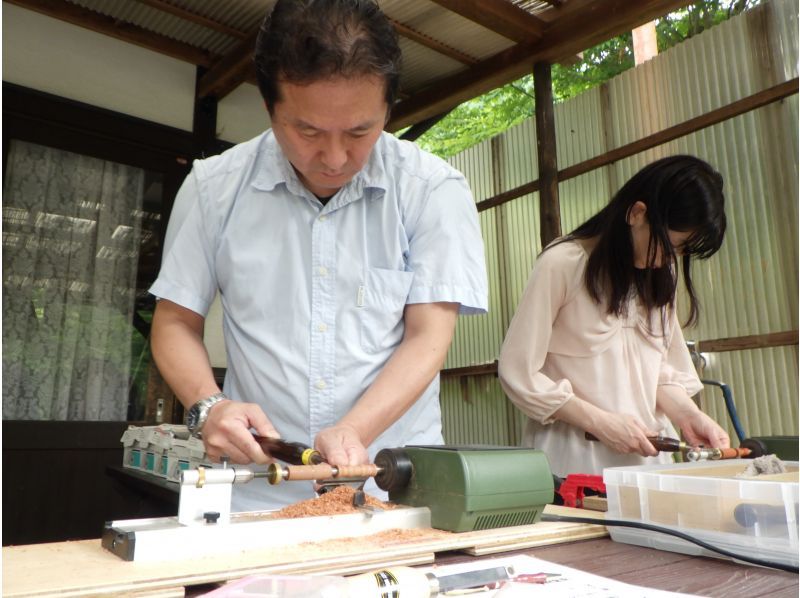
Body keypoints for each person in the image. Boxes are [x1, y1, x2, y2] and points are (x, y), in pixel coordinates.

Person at [149, 0, 488, 510]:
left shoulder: (432, 190)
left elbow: (428, 338)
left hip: (394, 490)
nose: (333, 158)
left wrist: (353, 430)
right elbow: (174, 321)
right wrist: (209, 405)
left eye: (359, 132)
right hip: (258, 492)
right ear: (270, 109)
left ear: (388, 109)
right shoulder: (213, 189)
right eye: (307, 131)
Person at [498, 155, 730, 478]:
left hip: (651, 467)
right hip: (573, 466)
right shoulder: (563, 263)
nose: (670, 259)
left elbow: (657, 373)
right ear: (637, 214)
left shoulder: (661, 274)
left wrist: (689, 416)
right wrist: (600, 422)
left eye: (681, 251)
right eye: (671, 245)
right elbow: (518, 372)